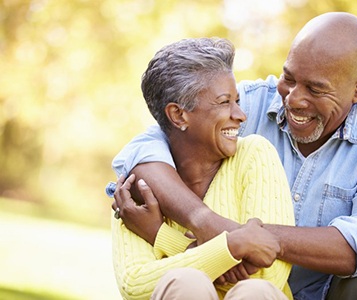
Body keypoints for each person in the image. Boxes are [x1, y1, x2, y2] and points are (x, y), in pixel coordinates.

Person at [109, 12, 357, 300]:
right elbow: (144, 148)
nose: (292, 100)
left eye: (316, 89)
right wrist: (205, 223)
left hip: (324, 292)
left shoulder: (252, 146)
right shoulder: (249, 101)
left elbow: (356, 246)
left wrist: (236, 239)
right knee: (188, 285)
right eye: (288, 78)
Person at [108, 37, 295, 299]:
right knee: (185, 284)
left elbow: (269, 274)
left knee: (254, 291)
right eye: (224, 102)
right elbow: (135, 285)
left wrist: (161, 236)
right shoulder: (137, 188)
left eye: (237, 101)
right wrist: (232, 246)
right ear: (179, 115)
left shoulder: (255, 154)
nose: (241, 115)